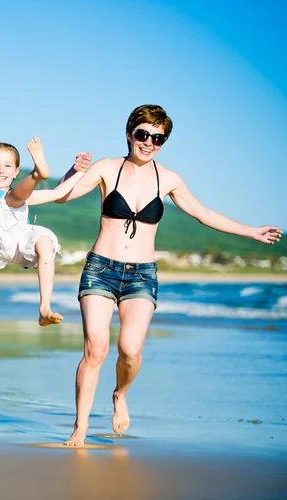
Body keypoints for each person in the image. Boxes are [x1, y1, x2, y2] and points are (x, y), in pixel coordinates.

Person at [55, 104, 283, 446]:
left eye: (158, 138)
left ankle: (120, 393)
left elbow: (203, 213)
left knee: (130, 350)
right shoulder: (107, 168)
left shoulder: (169, 178)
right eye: (143, 134)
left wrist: (251, 232)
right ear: (130, 133)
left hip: (142, 276)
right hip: (101, 269)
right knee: (96, 349)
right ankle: (80, 427)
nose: (149, 143)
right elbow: (63, 197)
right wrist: (72, 172)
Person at [0, 106, 91, 326]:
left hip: (21, 247)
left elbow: (58, 193)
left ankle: (44, 308)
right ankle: (38, 174)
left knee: (45, 242)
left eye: (8, 165)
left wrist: (79, 171)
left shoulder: (23, 195)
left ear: (16, 171)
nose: (1, 170)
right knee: (9, 201)